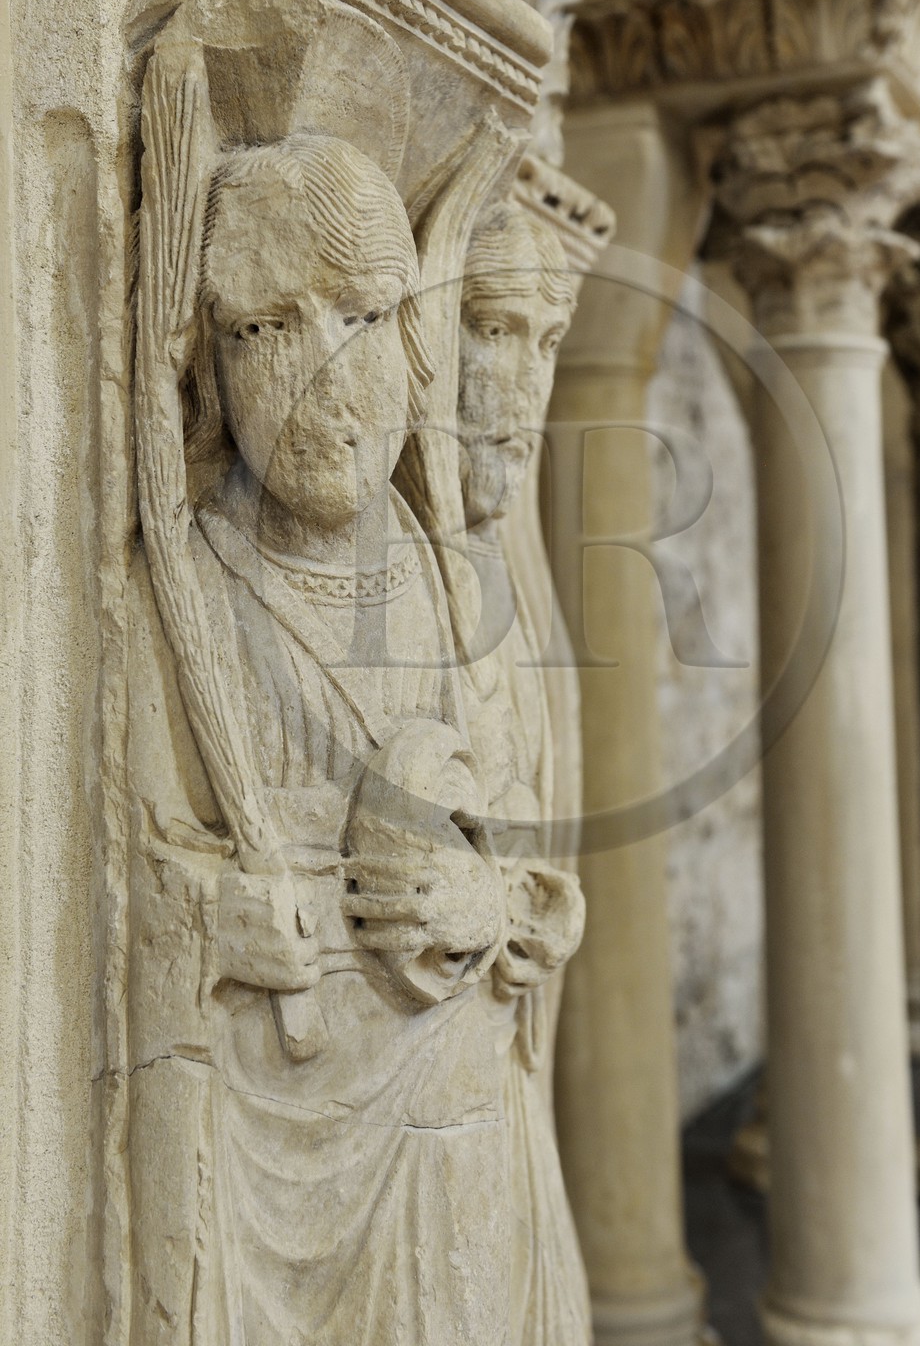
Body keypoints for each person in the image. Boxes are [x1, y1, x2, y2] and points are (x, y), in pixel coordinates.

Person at [128, 133, 511, 1346]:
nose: (321, 379)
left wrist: (478, 898)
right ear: (207, 367)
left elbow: (515, 841)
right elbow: (96, 859)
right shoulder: (169, 595)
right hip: (259, 1137)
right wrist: (212, 916)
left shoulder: (453, 588)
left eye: (358, 314)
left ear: (410, 337)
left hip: (443, 1112)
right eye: (263, 331)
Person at [457, 202, 591, 1346]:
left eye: (545, 343)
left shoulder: (515, 592)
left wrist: (538, 907)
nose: (521, 382)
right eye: (493, 328)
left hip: (495, 1075)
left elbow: (537, 837)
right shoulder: (382, 585)